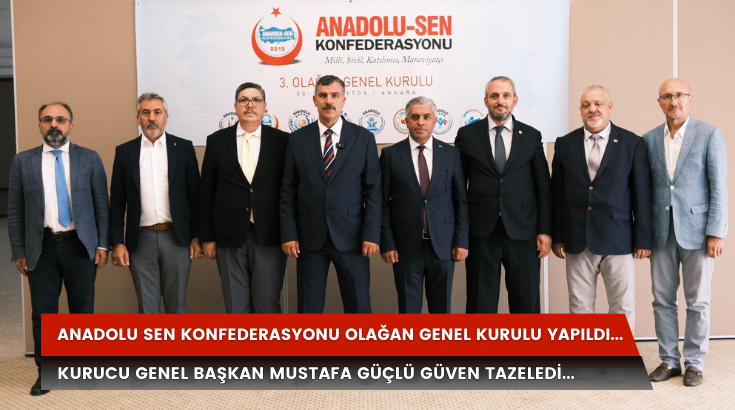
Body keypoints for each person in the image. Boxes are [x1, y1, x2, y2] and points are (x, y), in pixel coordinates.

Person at [8, 102, 109, 396]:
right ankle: (47, 373)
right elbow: (15, 211)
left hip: (80, 246)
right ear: (40, 125)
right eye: (47, 119)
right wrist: (19, 250)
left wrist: (102, 243)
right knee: (44, 315)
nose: (54, 124)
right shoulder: (22, 162)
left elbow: (102, 206)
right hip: (41, 248)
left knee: (82, 311)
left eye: (61, 119)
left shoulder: (89, 158)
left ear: (71, 126)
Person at [643, 78, 727, 387]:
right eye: (667, 96)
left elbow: (719, 187)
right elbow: (644, 190)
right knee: (662, 301)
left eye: (679, 95)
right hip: (660, 233)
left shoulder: (709, 135)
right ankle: (669, 360)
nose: (673, 101)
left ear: (690, 99)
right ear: (659, 102)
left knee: (698, 302)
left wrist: (716, 232)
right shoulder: (648, 139)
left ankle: (694, 363)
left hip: (699, 232)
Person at [551, 85, 652, 334]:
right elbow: (557, 193)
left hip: (619, 239)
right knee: (580, 306)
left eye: (598, 103)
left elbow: (641, 195)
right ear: (580, 110)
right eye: (586, 105)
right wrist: (557, 235)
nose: (592, 109)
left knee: (622, 306)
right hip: (577, 238)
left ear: (610, 107)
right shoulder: (565, 144)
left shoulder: (632, 143)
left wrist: (643, 239)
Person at [280, 75, 381, 313]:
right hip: (309, 239)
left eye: (335, 95)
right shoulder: (297, 139)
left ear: (343, 100)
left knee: (358, 307)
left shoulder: (363, 138)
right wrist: (289, 233)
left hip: (353, 238)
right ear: (314, 100)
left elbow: (374, 191)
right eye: (323, 95)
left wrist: (372, 233)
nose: (329, 101)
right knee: (309, 309)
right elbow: (288, 190)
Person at [454, 76, 552, 313]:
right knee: (480, 304)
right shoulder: (467, 135)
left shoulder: (531, 136)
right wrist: (460, 234)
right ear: (486, 101)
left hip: (523, 231)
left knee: (526, 302)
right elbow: (457, 189)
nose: (500, 101)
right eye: (494, 96)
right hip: (480, 231)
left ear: (515, 100)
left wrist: (544, 230)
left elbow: (543, 187)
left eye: (506, 95)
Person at [199, 82, 289, 313]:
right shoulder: (217, 141)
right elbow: (206, 191)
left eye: (256, 100)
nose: (250, 105)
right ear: (235, 106)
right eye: (244, 100)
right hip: (228, 235)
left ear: (265, 106)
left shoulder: (283, 141)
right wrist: (207, 237)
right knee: (236, 308)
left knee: (267, 306)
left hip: (269, 235)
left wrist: (291, 234)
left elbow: (289, 191)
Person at [109, 93, 201, 313]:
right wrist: (117, 242)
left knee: (177, 307)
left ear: (166, 117)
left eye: (157, 112)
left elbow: (196, 196)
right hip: (140, 240)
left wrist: (198, 236)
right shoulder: (125, 152)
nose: (152, 118)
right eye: (146, 113)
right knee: (147, 309)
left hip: (177, 239)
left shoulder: (184, 148)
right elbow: (118, 200)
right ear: (138, 118)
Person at [379, 96, 469, 313]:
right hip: (405, 246)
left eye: (426, 117)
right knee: (409, 311)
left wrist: (461, 240)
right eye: (415, 117)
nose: (421, 122)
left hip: (444, 245)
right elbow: (382, 203)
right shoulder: (390, 155)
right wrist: (387, 243)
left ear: (435, 121)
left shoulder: (451, 153)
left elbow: (460, 200)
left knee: (441, 310)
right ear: (405, 121)